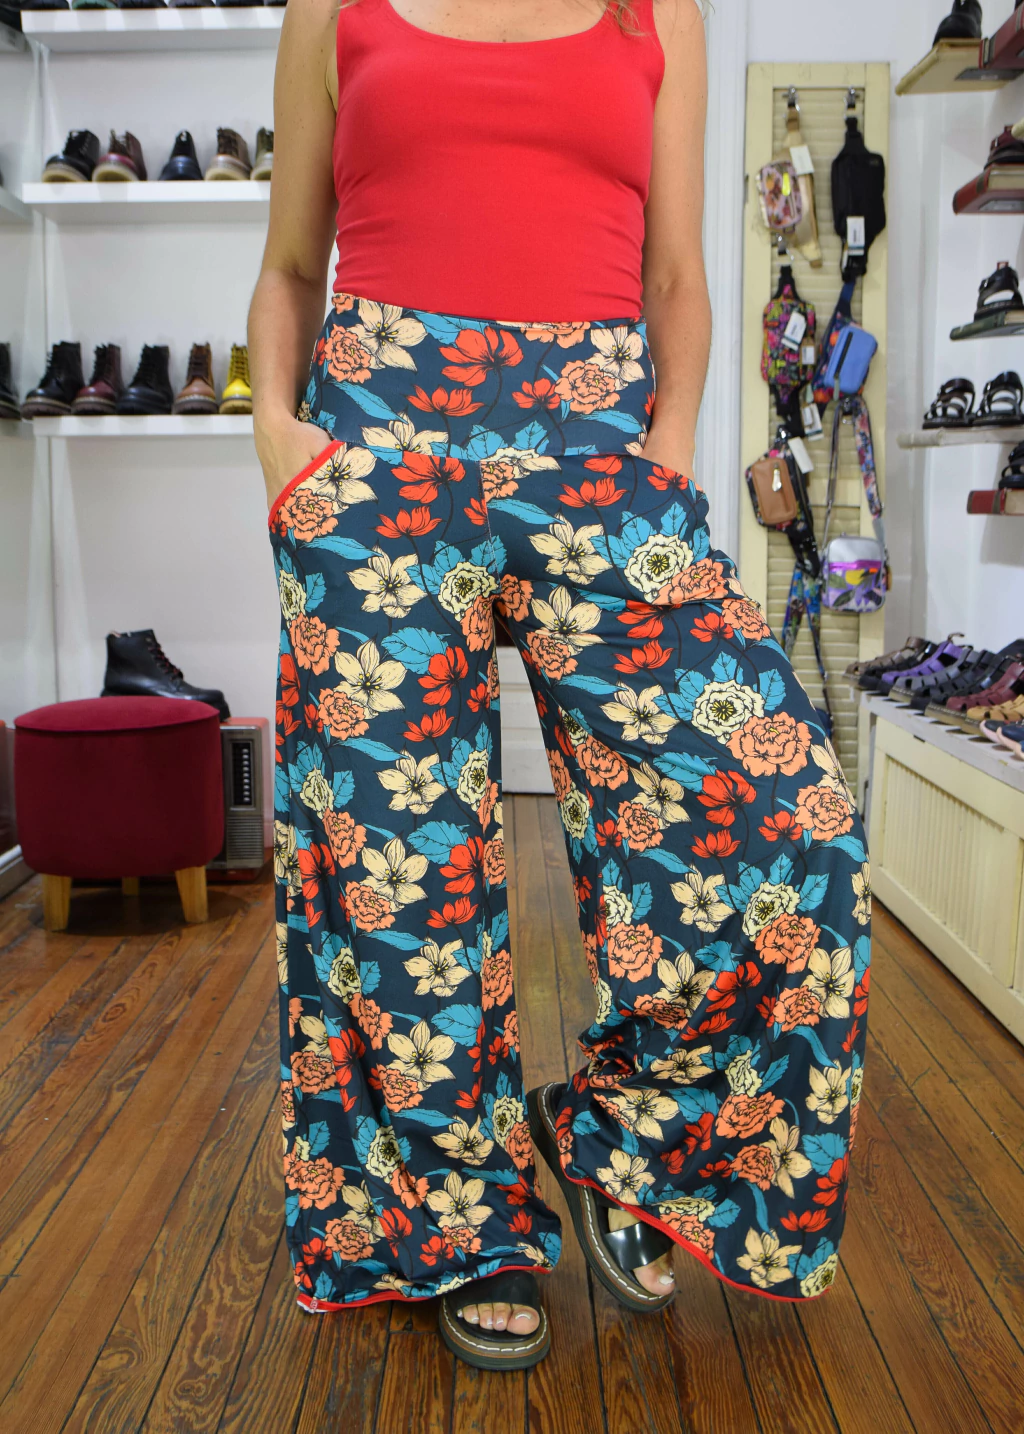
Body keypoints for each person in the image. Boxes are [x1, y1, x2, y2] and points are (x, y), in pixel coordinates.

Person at [250, 0, 871, 1372]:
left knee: (791, 820)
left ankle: (628, 1139)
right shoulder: (331, 6)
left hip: (599, 436)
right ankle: (456, 1223)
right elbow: (293, 260)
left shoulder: (659, 13)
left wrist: (668, 448)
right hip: (377, 443)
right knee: (399, 869)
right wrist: (280, 442)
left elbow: (678, 274)